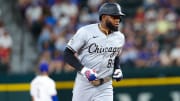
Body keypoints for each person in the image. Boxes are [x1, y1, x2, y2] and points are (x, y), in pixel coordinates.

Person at [64, 2, 125, 101]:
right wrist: (84, 70)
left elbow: (115, 55)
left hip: (105, 85)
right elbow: (67, 53)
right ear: (104, 17)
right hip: (84, 85)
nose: (118, 20)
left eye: (119, 17)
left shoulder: (120, 37)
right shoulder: (86, 32)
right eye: (114, 17)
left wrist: (118, 68)